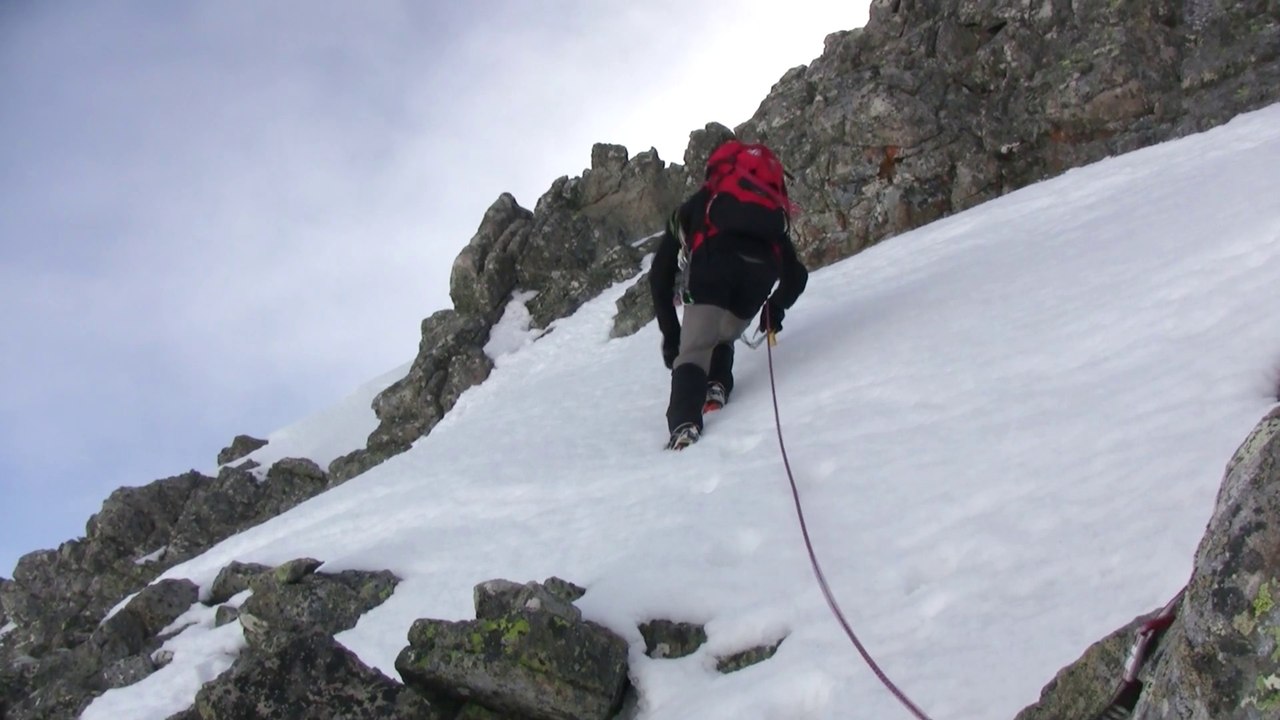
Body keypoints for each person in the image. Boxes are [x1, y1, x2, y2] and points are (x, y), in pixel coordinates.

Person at [649, 140, 808, 450]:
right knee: (724, 335)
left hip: (712, 266)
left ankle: (685, 424)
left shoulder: (699, 204)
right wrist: (774, 309)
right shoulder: (767, 216)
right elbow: (797, 275)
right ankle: (716, 383)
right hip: (759, 275)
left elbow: (660, 276)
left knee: (694, 349)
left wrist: (671, 335)